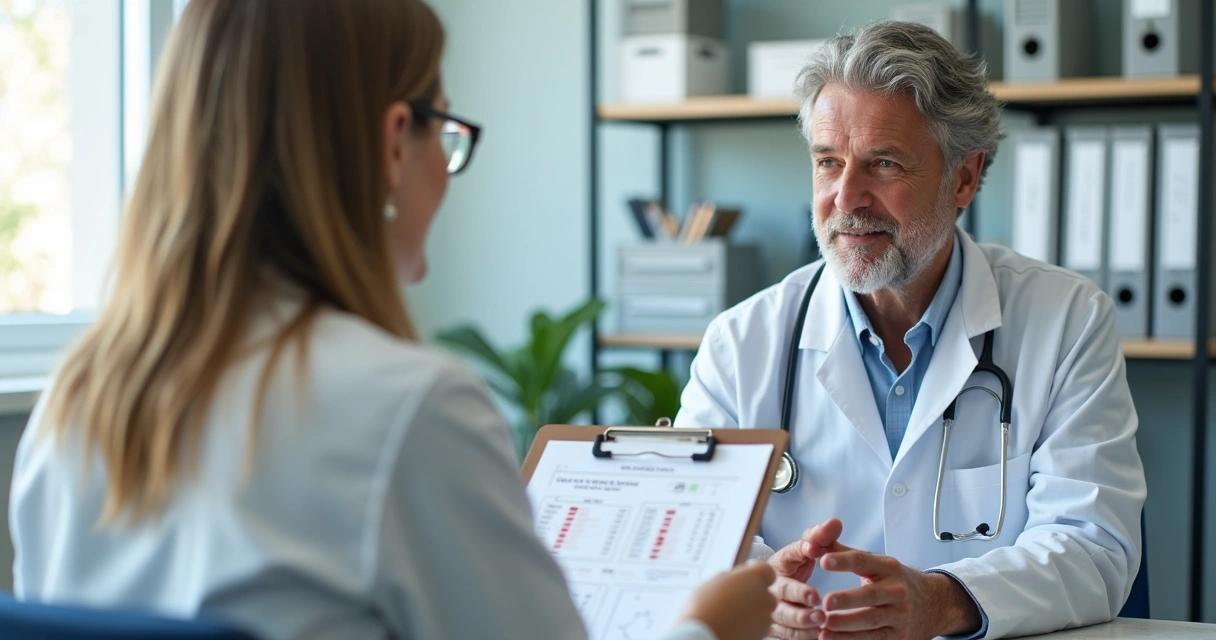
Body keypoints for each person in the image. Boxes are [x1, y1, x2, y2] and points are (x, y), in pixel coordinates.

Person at [7, 1, 779, 639]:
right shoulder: (409, 409)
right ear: (390, 145)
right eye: (442, 133)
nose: (446, 165)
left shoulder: (77, 404)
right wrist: (706, 626)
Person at [674, 21, 1147, 640]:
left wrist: (943, 600)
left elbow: (1095, 548)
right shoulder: (742, 343)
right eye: (828, 163)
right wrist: (770, 588)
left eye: (884, 163)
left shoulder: (1067, 321)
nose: (847, 198)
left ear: (964, 178)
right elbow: (691, 536)